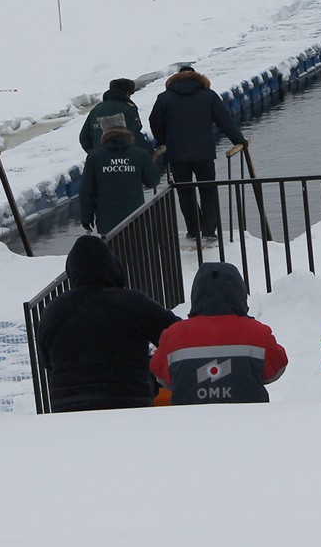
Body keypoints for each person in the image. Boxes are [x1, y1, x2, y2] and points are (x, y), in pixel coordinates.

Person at [37, 235, 180, 413]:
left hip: (68, 409)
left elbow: (46, 361)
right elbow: (177, 336)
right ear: (113, 267)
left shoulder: (53, 310)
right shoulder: (132, 303)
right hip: (130, 403)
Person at [151, 262, 288, 405]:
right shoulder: (258, 333)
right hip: (249, 420)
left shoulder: (173, 335)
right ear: (240, 293)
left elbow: (161, 375)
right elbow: (277, 367)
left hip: (190, 422)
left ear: (196, 294)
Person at [149, 65, 247, 244]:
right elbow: (224, 120)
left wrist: (163, 141)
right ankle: (209, 231)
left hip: (177, 155)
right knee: (208, 190)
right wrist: (239, 140)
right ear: (196, 77)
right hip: (204, 153)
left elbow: (154, 121)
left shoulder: (164, 98)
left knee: (185, 192)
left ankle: (193, 230)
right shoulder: (208, 96)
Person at [79, 126, 161, 236]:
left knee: (111, 251)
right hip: (135, 217)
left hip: (107, 221)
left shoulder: (95, 157)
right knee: (135, 250)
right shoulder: (140, 154)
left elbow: (86, 190)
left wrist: (86, 218)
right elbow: (152, 181)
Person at [79, 78, 150, 153]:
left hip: (101, 159)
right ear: (127, 93)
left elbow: (84, 137)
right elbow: (135, 135)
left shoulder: (96, 109)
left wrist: (95, 154)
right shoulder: (127, 108)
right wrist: (150, 153)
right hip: (124, 159)